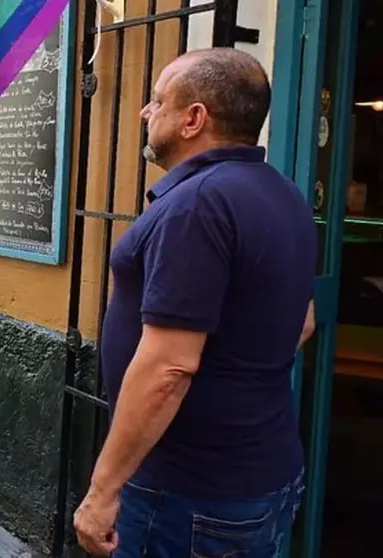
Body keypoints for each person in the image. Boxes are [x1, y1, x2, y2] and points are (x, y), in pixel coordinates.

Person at [73, 47, 317, 557]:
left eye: (157, 99)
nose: (145, 112)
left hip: (188, 494)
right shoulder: (283, 194)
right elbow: (304, 321)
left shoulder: (199, 203)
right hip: (261, 476)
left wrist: (102, 491)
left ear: (193, 119)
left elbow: (168, 369)